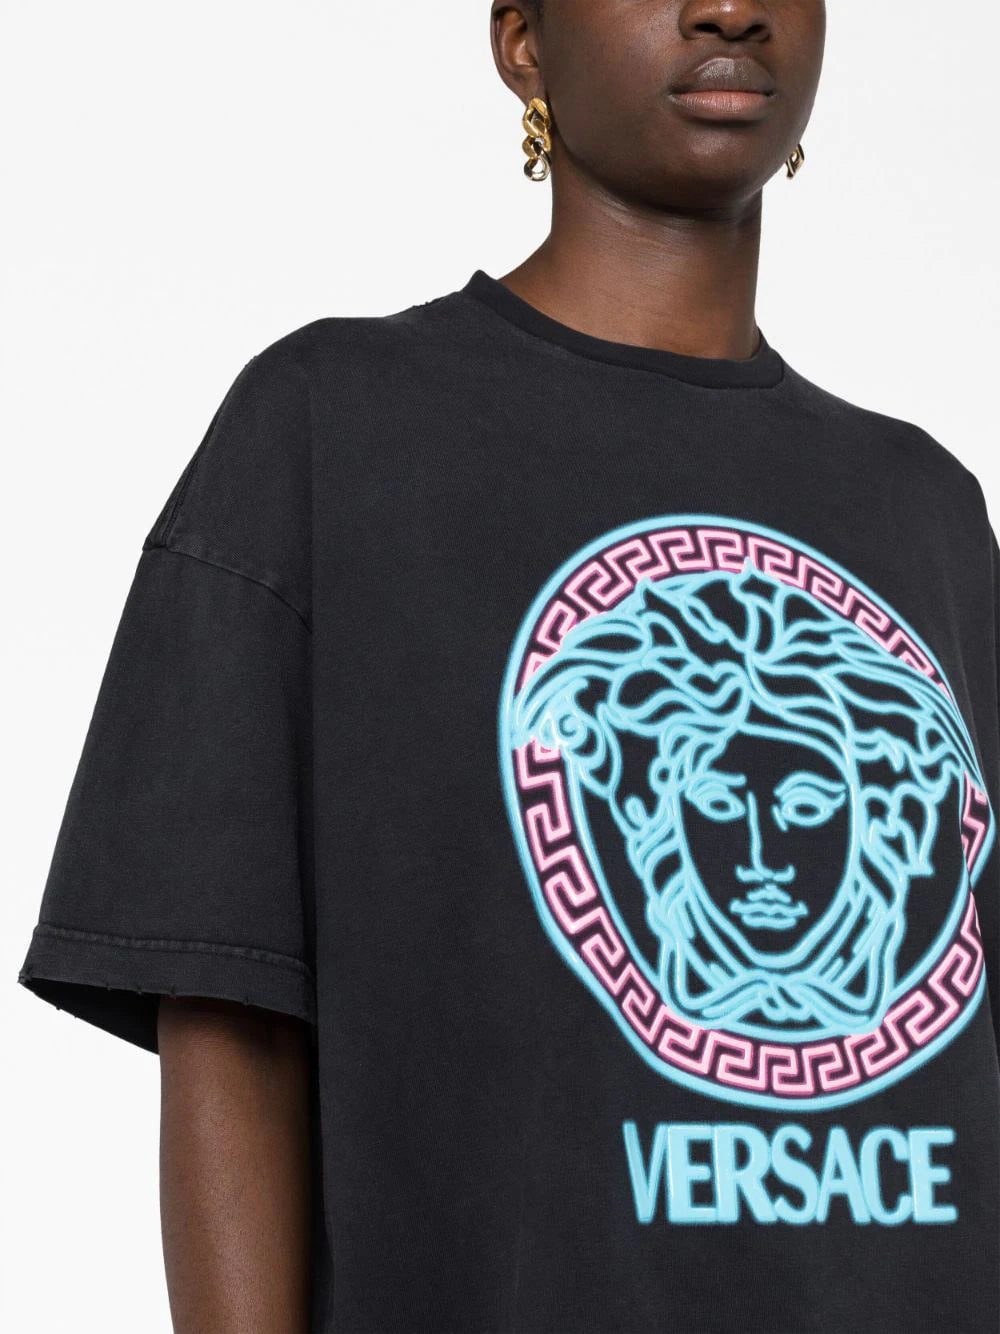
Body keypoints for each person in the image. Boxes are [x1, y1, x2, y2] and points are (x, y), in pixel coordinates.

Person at [18, 1, 1000, 1331]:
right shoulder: (332, 428)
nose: (730, 7)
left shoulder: (925, 508)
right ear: (522, 41)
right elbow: (229, 1014)